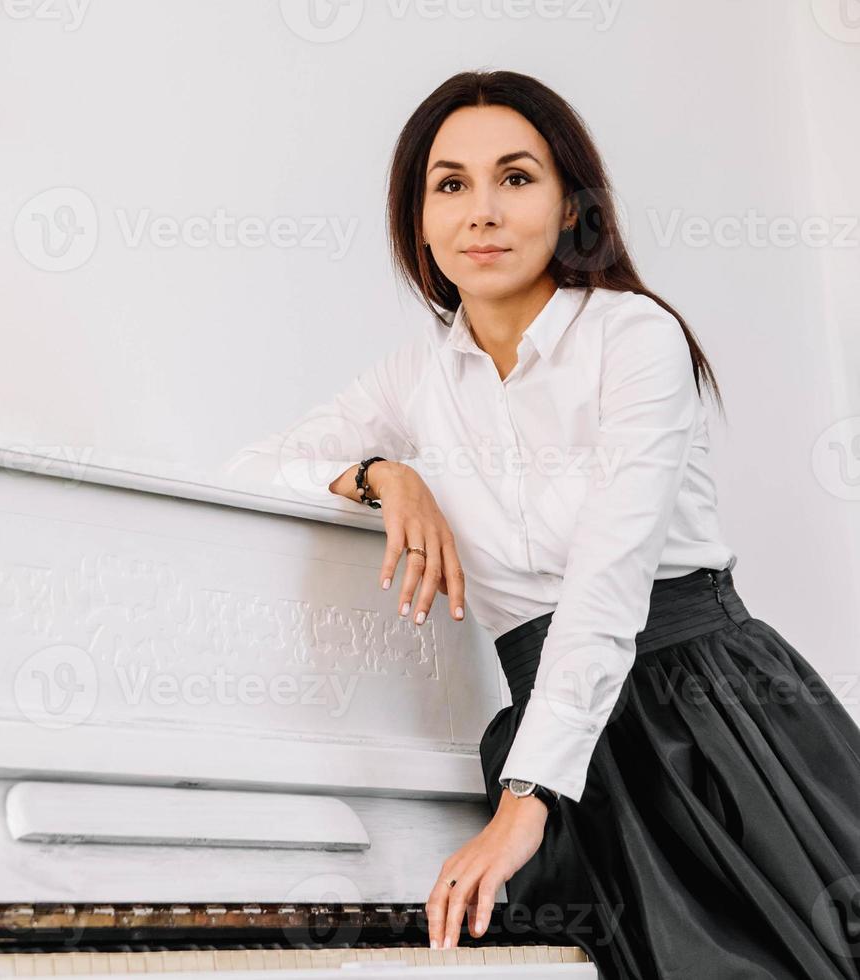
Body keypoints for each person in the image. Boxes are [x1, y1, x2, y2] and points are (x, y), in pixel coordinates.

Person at [223, 70, 860, 979]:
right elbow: (243, 470)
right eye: (450, 185)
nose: (481, 211)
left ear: (571, 207)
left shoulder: (635, 338)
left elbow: (607, 581)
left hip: (710, 720)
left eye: (515, 178)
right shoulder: (412, 380)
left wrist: (524, 804)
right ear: (418, 218)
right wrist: (380, 477)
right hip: (561, 746)